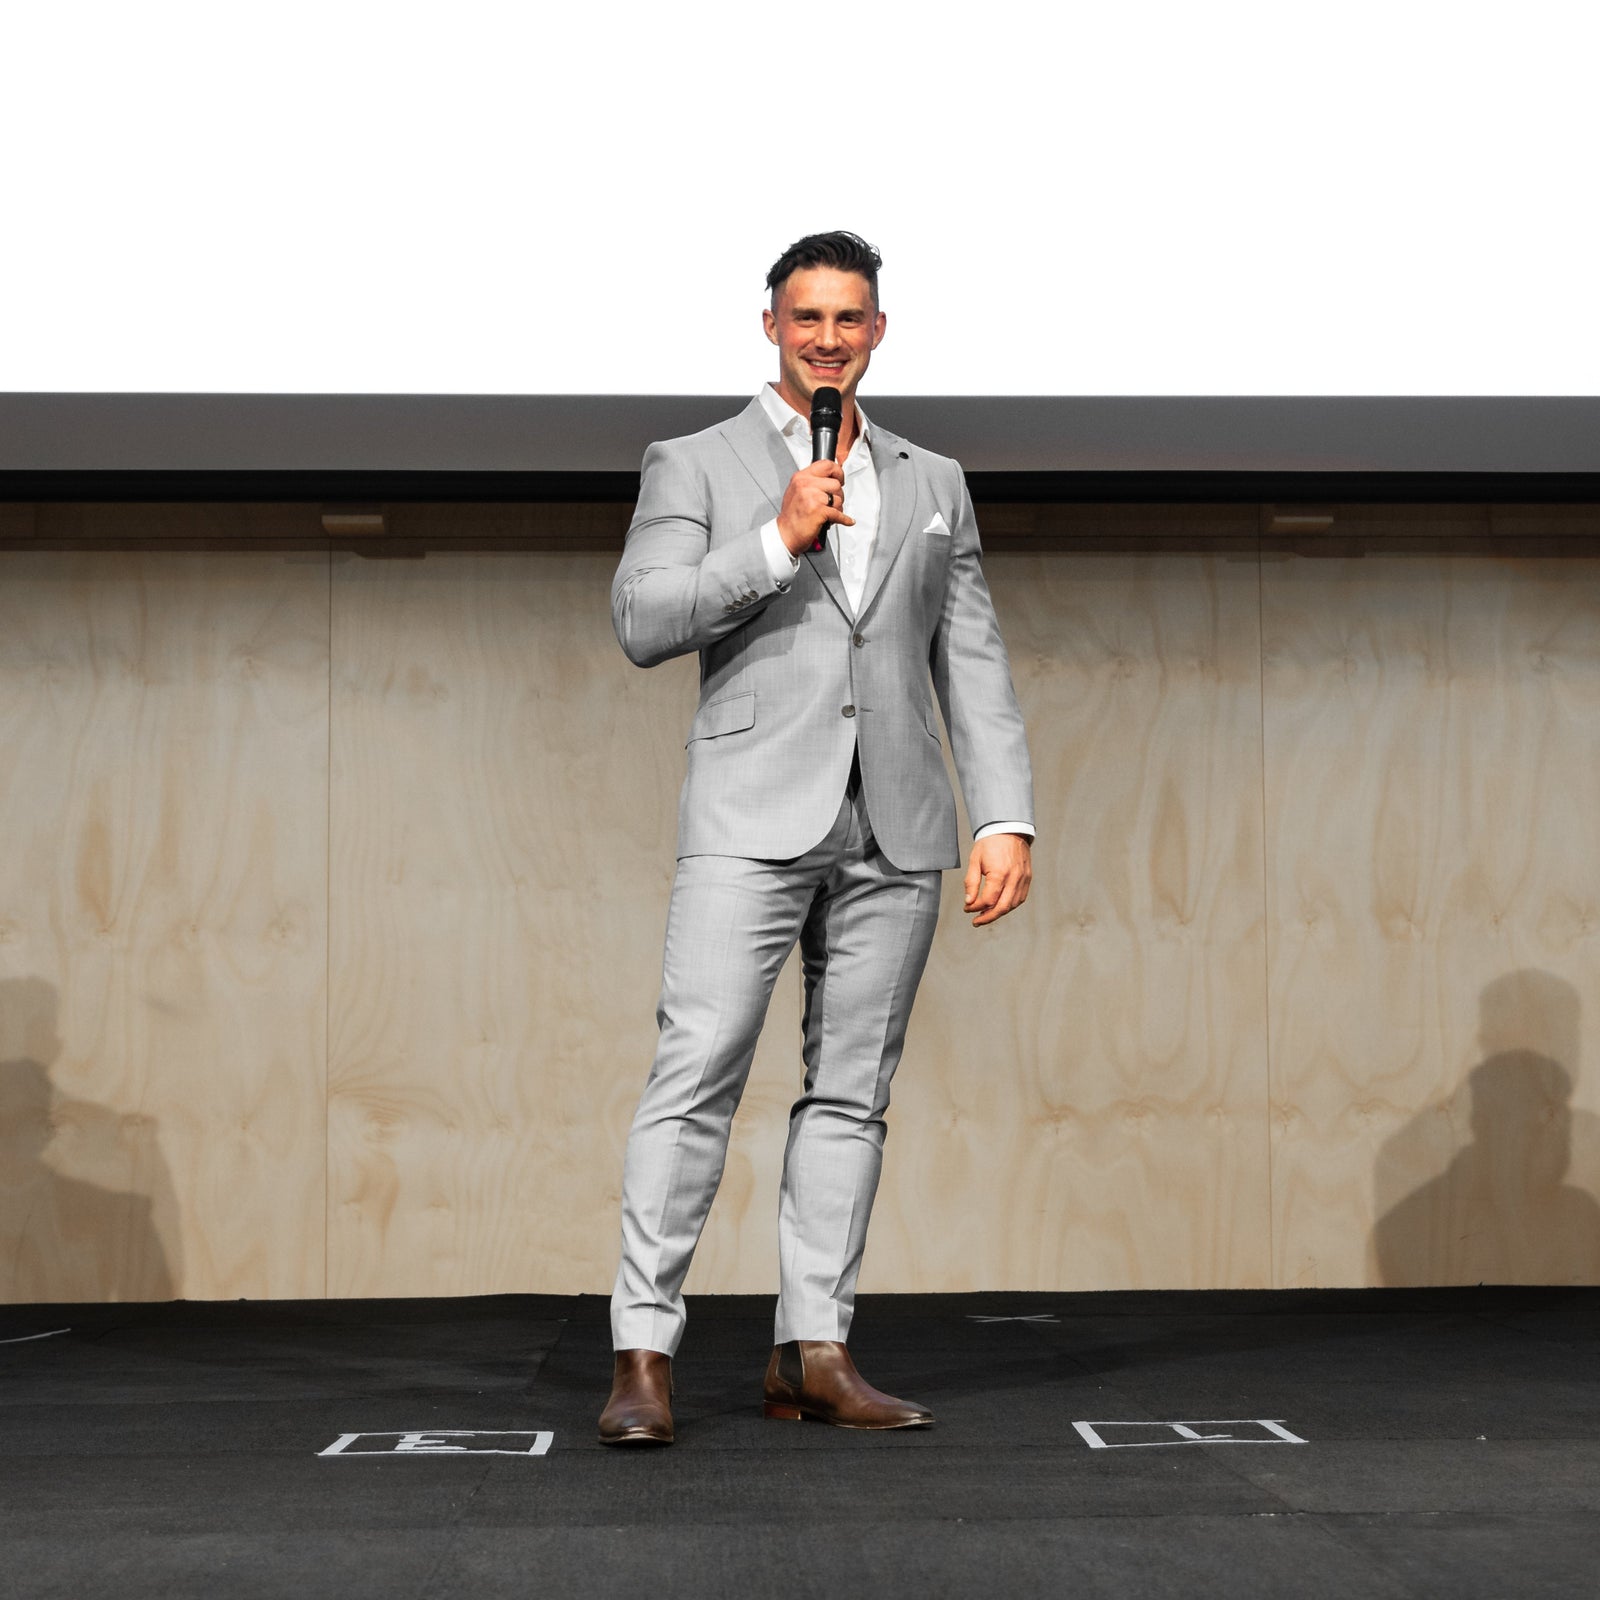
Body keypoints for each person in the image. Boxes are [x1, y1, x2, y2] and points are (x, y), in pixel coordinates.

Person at [600, 231, 1035, 1446]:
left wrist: (1002, 813)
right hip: (748, 816)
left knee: (852, 1092)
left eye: (849, 318)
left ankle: (814, 1346)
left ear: (878, 332)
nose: (827, 337)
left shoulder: (933, 478)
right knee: (694, 1079)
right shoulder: (693, 460)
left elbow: (974, 657)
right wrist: (774, 540)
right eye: (807, 318)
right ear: (770, 326)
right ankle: (643, 1351)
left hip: (896, 817)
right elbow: (641, 618)